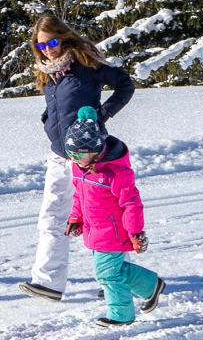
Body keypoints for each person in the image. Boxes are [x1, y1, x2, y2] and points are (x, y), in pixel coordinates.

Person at [17, 14, 136, 302]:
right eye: (41, 45)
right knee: (52, 215)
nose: (47, 49)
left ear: (64, 37)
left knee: (102, 217)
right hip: (59, 154)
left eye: (52, 42)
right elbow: (60, 105)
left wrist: (101, 116)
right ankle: (48, 282)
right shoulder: (47, 72)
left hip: (90, 155)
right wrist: (49, 119)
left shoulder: (86, 64)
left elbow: (125, 85)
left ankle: (118, 278)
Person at [62, 113, 165, 326]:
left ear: (96, 152)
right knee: (114, 270)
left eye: (79, 155)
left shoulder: (116, 174)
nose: (74, 159)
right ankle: (150, 285)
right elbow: (79, 195)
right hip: (94, 230)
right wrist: (76, 217)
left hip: (114, 233)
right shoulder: (80, 168)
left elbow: (132, 205)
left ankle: (121, 315)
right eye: (70, 154)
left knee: (107, 275)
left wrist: (135, 233)